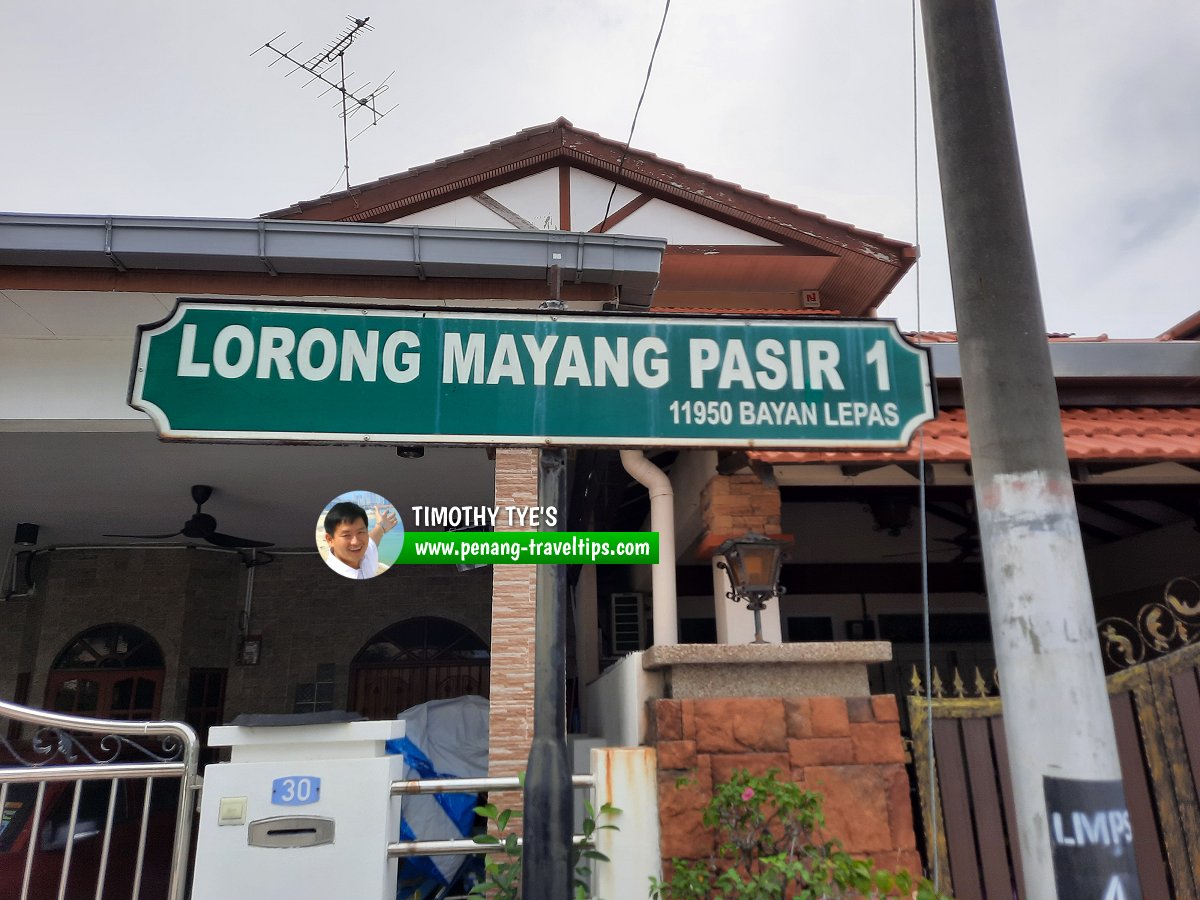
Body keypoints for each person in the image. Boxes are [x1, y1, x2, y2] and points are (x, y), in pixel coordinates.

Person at [321, 501, 398, 579]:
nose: (356, 542)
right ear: (330, 540)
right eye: (346, 535)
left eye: (360, 532)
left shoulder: (367, 553)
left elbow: (374, 537)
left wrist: (381, 526)